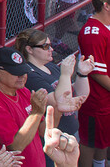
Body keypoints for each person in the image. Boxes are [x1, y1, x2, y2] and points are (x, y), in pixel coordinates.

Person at [15, 27, 91, 165]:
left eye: (50, 45)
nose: (51, 49)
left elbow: (79, 95)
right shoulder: (30, 76)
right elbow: (58, 104)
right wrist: (66, 74)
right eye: (45, 46)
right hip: (53, 139)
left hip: (69, 133)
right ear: (29, 49)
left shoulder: (51, 66)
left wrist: (82, 74)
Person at [0, 47, 50, 167]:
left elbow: (42, 130)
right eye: (16, 73)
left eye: (23, 71)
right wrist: (36, 113)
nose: (22, 76)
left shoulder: (22, 91)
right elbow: (16, 146)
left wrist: (58, 109)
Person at [78, 0, 110, 167]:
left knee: (102, 139)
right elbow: (97, 73)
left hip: (105, 99)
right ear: (106, 6)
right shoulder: (93, 32)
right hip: (95, 100)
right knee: (90, 141)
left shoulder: (104, 27)